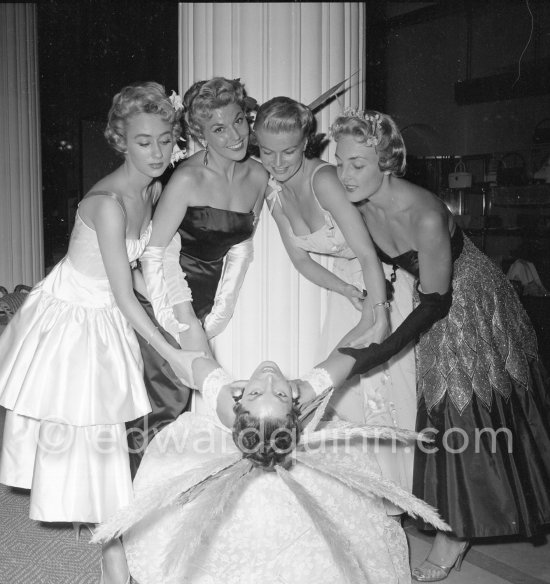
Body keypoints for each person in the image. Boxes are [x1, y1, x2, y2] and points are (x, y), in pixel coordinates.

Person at [331, 108, 550, 581]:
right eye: (340, 161)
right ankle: (447, 515)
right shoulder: (355, 195)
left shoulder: (426, 215)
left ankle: (456, 532)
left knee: (459, 408)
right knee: (436, 406)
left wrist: (371, 356)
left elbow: (434, 304)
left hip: (466, 300)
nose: (344, 174)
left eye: (358, 164)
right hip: (429, 293)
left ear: (387, 163)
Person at [0, 82, 200, 584]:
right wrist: (173, 354)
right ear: (120, 140)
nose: (156, 152)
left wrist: (181, 316)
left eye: (163, 139)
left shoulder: (151, 190)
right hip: (72, 318)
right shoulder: (108, 202)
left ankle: (114, 549)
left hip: (106, 311)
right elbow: (121, 292)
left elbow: (135, 275)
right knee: (88, 441)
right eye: (142, 141)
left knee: (107, 441)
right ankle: (113, 559)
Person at [93, 316, 449, 584]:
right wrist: (375, 312)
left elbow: (186, 347)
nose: (266, 379)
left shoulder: (229, 399)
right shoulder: (302, 392)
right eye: (273, 392)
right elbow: (353, 352)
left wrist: (375, 311)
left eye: (267, 392)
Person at [252, 96, 417, 507]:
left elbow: (365, 252)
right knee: (347, 398)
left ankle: (397, 502)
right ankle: (365, 503)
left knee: (385, 398)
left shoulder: (324, 178)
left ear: (307, 142)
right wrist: (345, 292)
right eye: (266, 152)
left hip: (384, 282)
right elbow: (302, 262)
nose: (277, 162)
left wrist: (377, 313)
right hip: (350, 288)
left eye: (288, 151)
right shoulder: (273, 195)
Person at [127, 77, 268, 472]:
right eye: (219, 129)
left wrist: (220, 310)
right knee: (167, 402)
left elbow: (240, 246)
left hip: (207, 300)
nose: (236, 135)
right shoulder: (186, 179)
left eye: (239, 120)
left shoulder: (258, 176)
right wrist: (182, 316)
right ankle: (136, 515)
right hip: (163, 295)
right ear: (200, 134)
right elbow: (155, 255)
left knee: (196, 403)